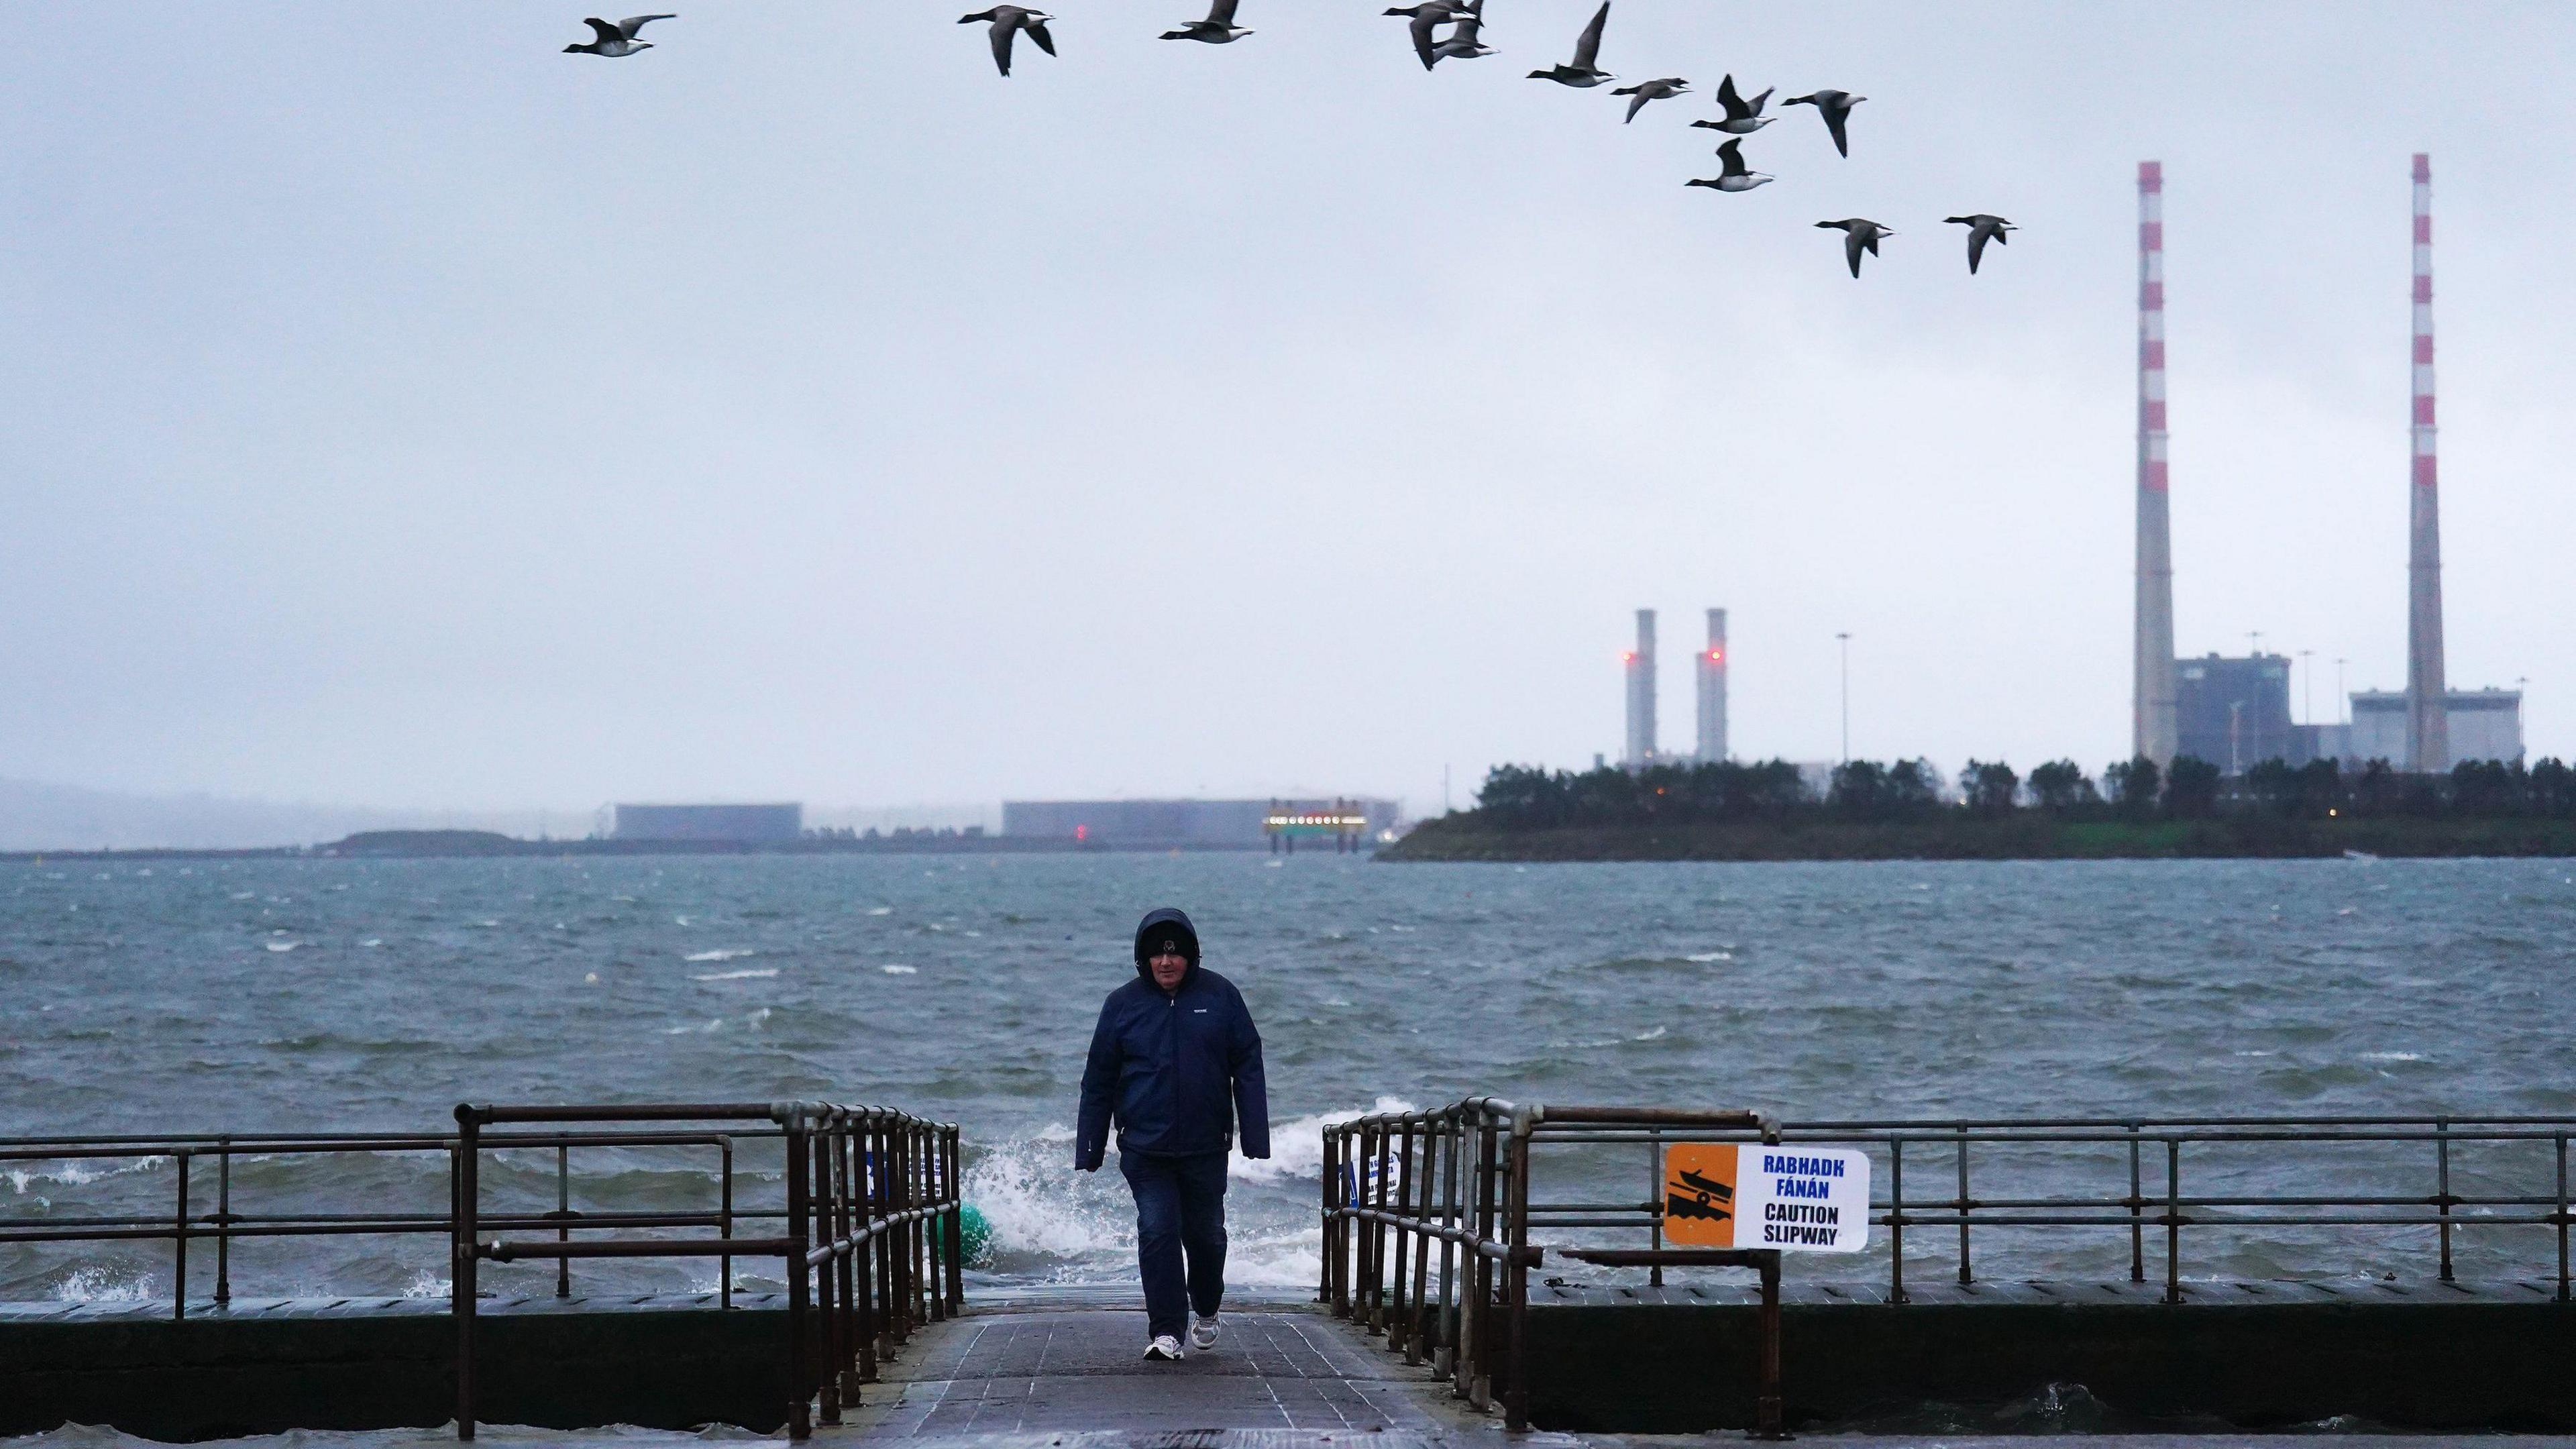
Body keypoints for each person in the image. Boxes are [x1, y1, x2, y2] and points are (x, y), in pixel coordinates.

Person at [1075, 906, 1269, 1362]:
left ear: (1191, 957)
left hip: (1205, 1146)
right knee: (1157, 1230)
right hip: (1145, 1148)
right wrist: (1090, 1145)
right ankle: (1166, 1332)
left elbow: (1248, 1063)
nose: (1167, 963)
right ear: (1144, 960)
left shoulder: (1221, 997)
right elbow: (1098, 1078)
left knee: (1207, 1236)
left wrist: (1254, 1136)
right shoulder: (1122, 1005)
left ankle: (1206, 1305)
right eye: (1158, 957)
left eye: (1176, 955)